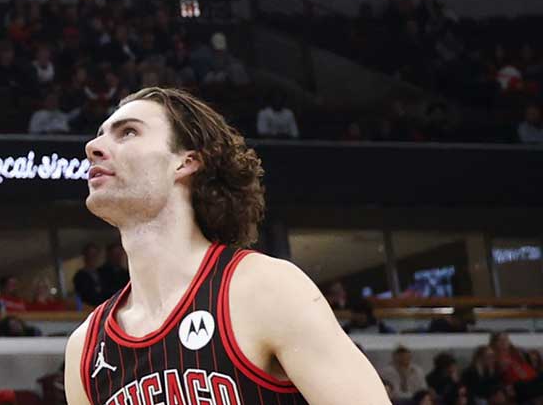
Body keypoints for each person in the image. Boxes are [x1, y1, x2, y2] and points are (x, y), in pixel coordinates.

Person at [63, 87, 390, 405]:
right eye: (100, 134)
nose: (93, 146)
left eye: (128, 132)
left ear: (186, 162)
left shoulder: (264, 288)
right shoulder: (86, 348)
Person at [71, 243, 104, 308]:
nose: (92, 258)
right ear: (85, 256)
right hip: (88, 309)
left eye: (95, 255)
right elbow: (83, 296)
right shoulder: (80, 276)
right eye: (90, 255)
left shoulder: (103, 273)